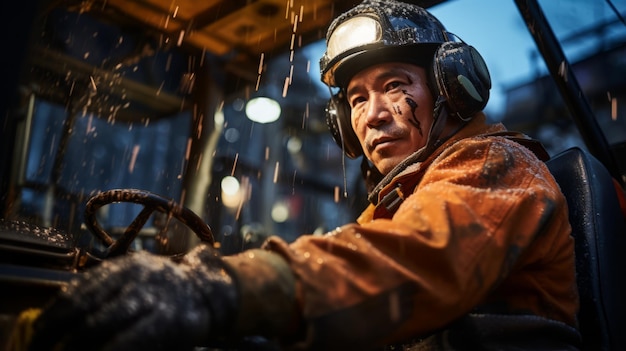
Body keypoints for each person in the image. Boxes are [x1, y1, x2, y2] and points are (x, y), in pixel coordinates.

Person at [25, 0, 581, 350]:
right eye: (356, 99)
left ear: (453, 85)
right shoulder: (399, 199)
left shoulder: (495, 165)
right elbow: (347, 255)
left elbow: (409, 259)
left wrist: (223, 288)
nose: (373, 114)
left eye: (393, 85)